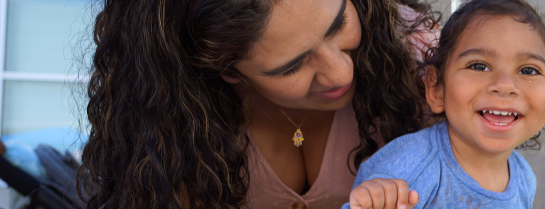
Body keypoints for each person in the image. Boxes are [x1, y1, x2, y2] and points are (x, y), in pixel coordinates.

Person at [77, 0, 439, 208]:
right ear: (227, 71)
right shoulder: (174, 119)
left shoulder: (425, 59)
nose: (341, 74)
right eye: (293, 66)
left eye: (338, 24)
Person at [344, 0, 545, 208]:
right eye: (478, 66)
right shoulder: (409, 171)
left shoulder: (524, 178)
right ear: (436, 88)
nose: (505, 85)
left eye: (528, 70)